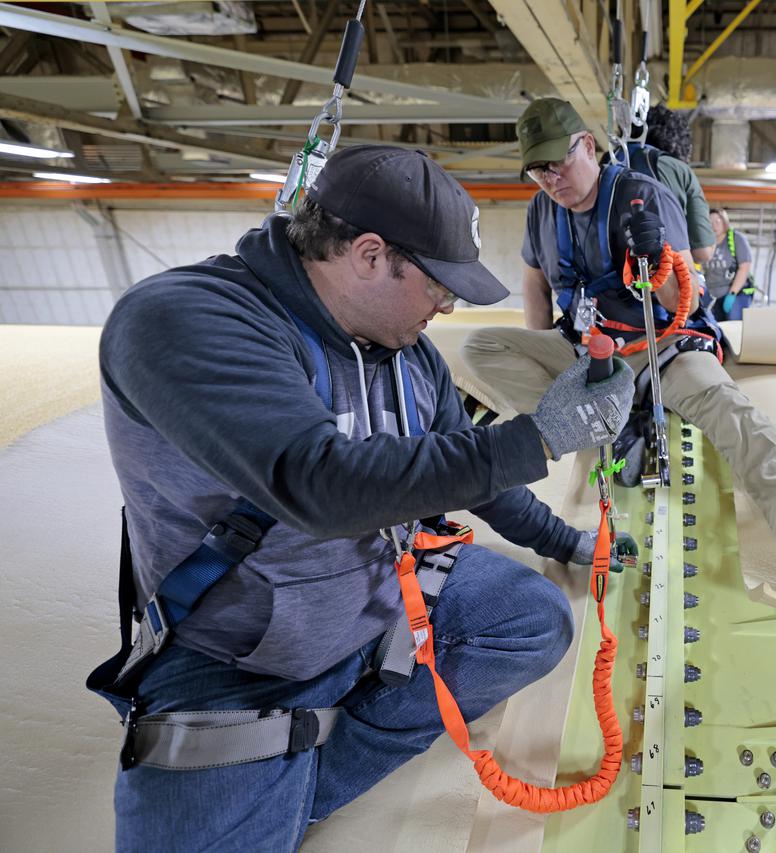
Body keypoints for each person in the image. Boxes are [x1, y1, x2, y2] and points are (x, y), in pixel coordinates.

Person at [88, 145, 635, 851]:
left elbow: (469, 469)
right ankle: (280, 759)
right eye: (439, 284)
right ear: (370, 255)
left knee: (535, 619)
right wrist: (540, 437)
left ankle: (308, 772)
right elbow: (317, 485)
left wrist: (570, 541)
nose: (448, 304)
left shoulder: (407, 351)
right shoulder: (180, 320)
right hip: (241, 656)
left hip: (379, 597)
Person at [462, 97, 776, 614]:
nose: (550, 178)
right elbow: (534, 284)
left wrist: (654, 258)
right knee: (483, 346)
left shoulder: (642, 197)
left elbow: (688, 300)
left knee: (726, 406)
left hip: (662, 346)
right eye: (538, 169)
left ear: (586, 144)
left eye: (558, 161)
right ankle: (609, 427)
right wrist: (557, 367)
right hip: (589, 348)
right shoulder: (541, 211)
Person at [617, 104, 715, 265]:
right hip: (659, 274)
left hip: (602, 274)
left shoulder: (608, 163)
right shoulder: (678, 169)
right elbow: (702, 252)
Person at [705, 207, 755, 321]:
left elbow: (744, 267)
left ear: (724, 222)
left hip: (735, 292)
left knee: (733, 322)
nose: (714, 225)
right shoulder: (705, 242)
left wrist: (732, 294)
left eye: (717, 221)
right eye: (710, 222)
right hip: (712, 295)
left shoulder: (737, 239)